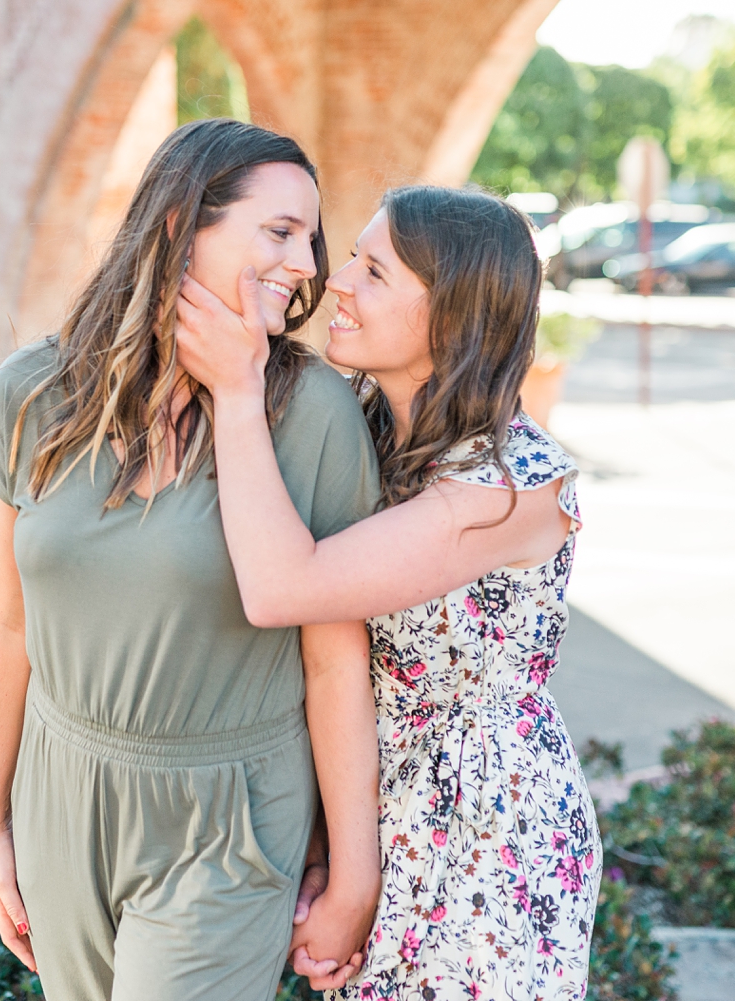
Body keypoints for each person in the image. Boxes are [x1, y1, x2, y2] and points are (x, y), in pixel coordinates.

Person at [0, 118, 382, 1001]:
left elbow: (335, 660)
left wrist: (353, 874)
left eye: (311, 236)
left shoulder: (314, 416)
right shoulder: (30, 394)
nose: (308, 263)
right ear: (177, 227)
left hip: (227, 815)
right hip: (60, 787)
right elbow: (7, 618)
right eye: (279, 232)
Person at [175, 184, 604, 1000]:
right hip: (364, 804)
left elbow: (282, 587)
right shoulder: (361, 425)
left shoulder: (507, 484)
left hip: (486, 831)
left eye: (373, 271)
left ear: (451, 316)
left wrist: (236, 390)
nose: (336, 281)